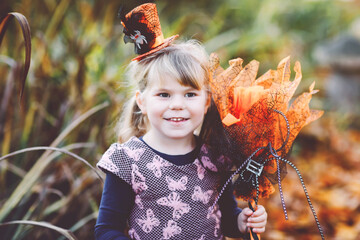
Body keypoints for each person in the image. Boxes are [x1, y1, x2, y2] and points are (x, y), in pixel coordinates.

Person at [95, 3, 267, 240]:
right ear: (142, 102)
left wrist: (243, 221)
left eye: (190, 94)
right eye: (164, 94)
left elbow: (227, 220)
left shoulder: (216, 157)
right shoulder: (128, 162)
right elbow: (106, 230)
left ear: (206, 102)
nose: (177, 104)